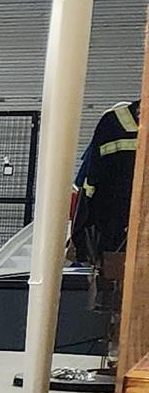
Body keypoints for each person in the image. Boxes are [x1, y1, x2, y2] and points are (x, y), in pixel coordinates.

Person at [69, 99, 139, 307]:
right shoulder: (112, 124)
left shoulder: (112, 124)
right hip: (116, 230)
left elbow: (86, 185)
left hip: (114, 229)